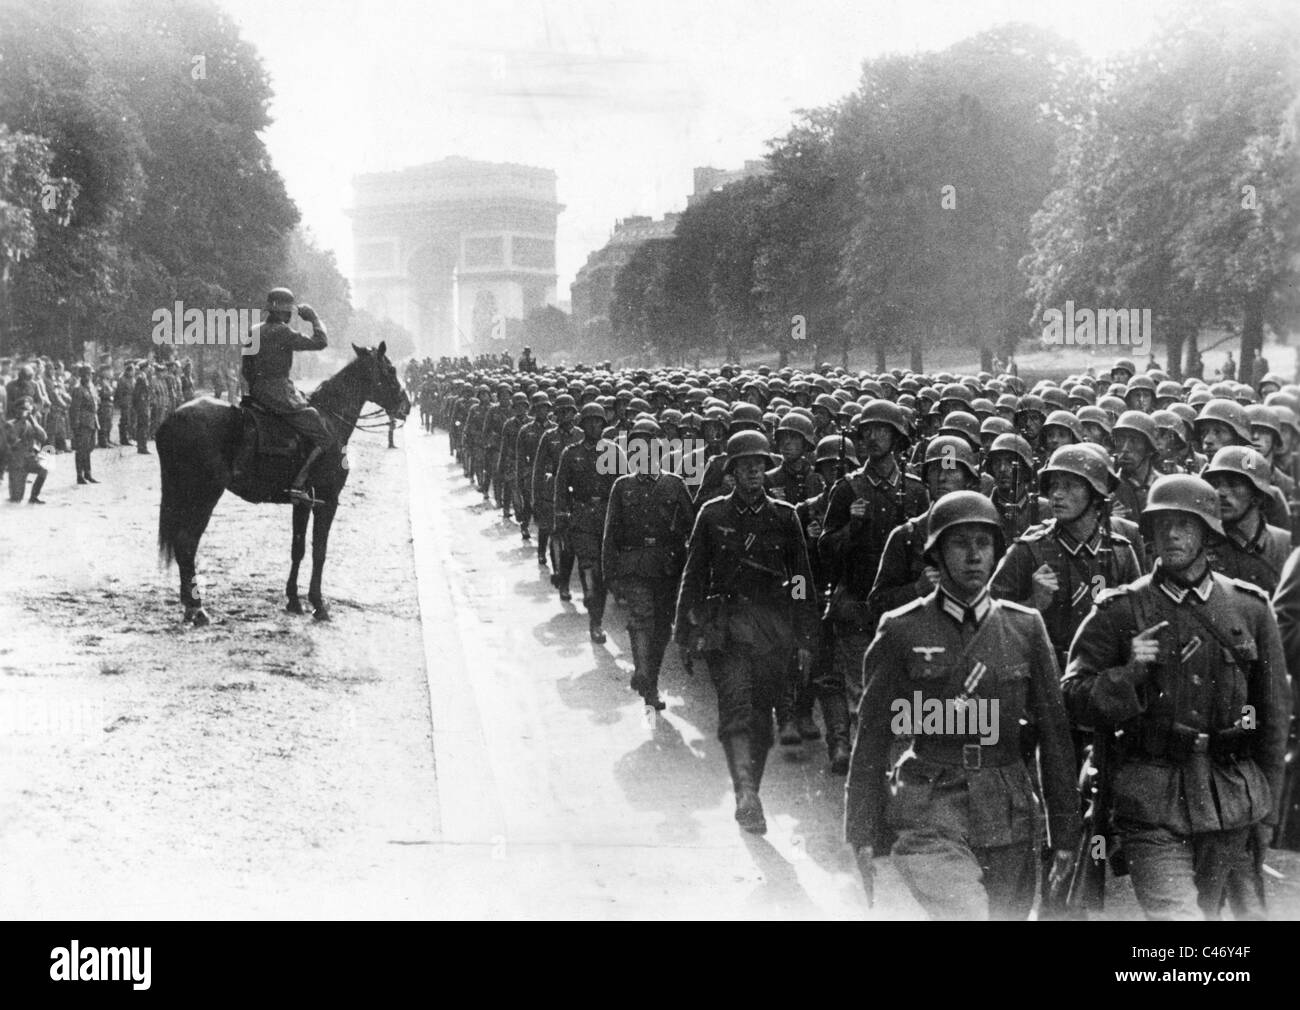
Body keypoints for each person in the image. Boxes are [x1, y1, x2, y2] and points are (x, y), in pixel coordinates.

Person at [1062, 474, 1291, 920]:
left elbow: (1270, 720)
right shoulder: (1120, 609)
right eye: (1162, 524)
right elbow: (1071, 697)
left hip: (1230, 801)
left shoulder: (1248, 608)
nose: (1171, 534)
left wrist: (1265, 815)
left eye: (1185, 524)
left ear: (1208, 534)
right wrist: (1128, 674)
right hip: (1151, 798)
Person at [845, 490, 1080, 919]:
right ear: (936, 553)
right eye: (960, 543)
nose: (974, 556)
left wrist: (1064, 833)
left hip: (1007, 807)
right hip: (930, 804)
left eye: (984, 543)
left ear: (996, 552)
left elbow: (1055, 737)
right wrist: (861, 829)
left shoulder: (1024, 626)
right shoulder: (901, 628)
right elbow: (872, 735)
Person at [675, 430, 817, 834]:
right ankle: (746, 796)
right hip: (727, 627)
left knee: (762, 718)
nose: (755, 471)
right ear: (732, 471)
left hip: (773, 630)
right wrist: (683, 632)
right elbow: (693, 575)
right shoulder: (713, 515)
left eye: (760, 465)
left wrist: (805, 636)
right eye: (746, 465)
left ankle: (751, 785)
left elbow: (801, 578)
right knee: (736, 708)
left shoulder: (784, 516)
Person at [602, 418, 694, 708]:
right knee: (642, 619)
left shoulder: (675, 484)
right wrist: (610, 574)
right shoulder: (622, 486)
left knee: (662, 628)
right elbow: (610, 533)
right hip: (633, 565)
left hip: (667, 566)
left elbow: (692, 529)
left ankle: (650, 681)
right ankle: (642, 672)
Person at [240, 288, 336, 503]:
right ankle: (298, 484)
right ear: (285, 312)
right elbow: (320, 342)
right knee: (323, 435)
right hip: (278, 392)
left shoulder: (253, 330)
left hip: (256, 390)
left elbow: (246, 367)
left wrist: (254, 387)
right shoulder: (283, 332)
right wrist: (314, 318)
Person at [554, 402, 621, 643]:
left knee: (604, 573)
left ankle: (597, 611)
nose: (594, 426)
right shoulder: (571, 453)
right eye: (590, 422)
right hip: (582, 517)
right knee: (589, 569)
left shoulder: (613, 452)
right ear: (582, 425)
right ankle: (596, 623)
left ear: (604, 425)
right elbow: (561, 488)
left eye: (599, 422)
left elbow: (624, 487)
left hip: (608, 517)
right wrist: (560, 517)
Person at [5, 397, 49, 503]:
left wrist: (34, 422)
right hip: (17, 464)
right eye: (22, 409)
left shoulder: (30, 424)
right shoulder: (10, 425)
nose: (25, 412)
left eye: (27, 409)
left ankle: (34, 496)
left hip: (29, 460)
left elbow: (43, 437)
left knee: (43, 470)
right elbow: (14, 441)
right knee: (16, 499)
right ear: (16, 410)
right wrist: (22, 421)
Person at [69, 364, 100, 484]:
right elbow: (75, 409)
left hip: (91, 421)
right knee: (81, 449)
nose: (90, 376)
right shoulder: (78, 389)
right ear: (83, 375)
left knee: (88, 448)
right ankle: (79, 475)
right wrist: (75, 426)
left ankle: (88, 473)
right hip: (83, 423)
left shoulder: (90, 388)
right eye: (88, 374)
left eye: (91, 374)